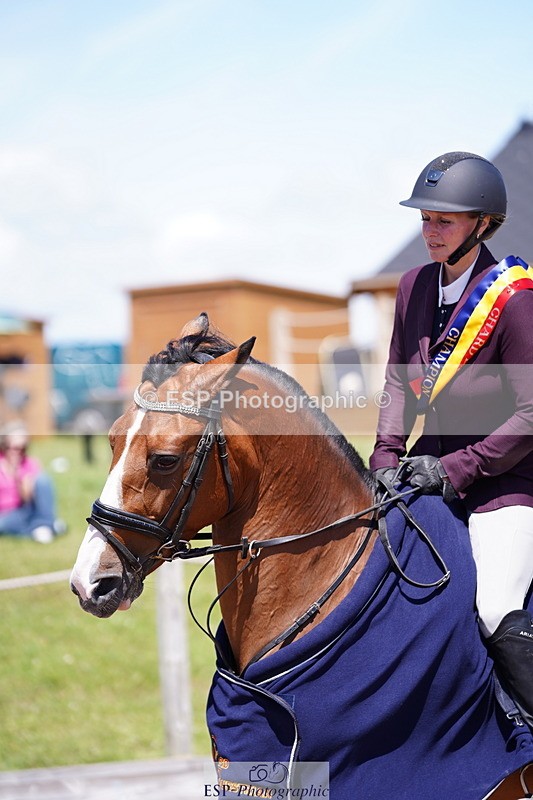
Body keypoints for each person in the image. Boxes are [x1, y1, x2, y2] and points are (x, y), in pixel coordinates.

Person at [370, 151, 533, 727]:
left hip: (504, 480)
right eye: (425, 219)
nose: (430, 231)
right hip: (426, 469)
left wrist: (457, 468)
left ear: (482, 224)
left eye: (445, 220)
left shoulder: (516, 300)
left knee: (494, 606)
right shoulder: (413, 286)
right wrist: (385, 456)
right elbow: (398, 381)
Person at [0, 422, 63, 543]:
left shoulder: (29, 464)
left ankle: (44, 524)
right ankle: (46, 527)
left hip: (25, 510)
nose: (18, 452)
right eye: (14, 448)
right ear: (4, 445)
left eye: (23, 448)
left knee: (43, 480)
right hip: (5, 513)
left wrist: (20, 479)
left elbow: (28, 499)